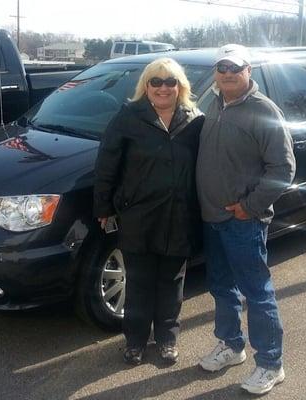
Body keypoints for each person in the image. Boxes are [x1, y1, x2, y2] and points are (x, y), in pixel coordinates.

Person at [196, 44, 296, 394]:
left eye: (234, 68)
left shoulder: (263, 111)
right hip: (211, 218)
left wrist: (249, 206)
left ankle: (271, 363)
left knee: (256, 292)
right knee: (222, 287)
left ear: (248, 70)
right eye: (221, 67)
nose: (227, 73)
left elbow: (283, 168)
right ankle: (231, 345)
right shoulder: (213, 103)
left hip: (244, 221)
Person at [93, 58, 204, 366]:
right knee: (139, 283)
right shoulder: (128, 117)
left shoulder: (195, 120)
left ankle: (167, 339)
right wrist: (103, 206)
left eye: (170, 81)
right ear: (146, 86)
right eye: (156, 82)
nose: (163, 87)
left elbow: (207, 166)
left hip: (179, 217)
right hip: (138, 217)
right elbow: (106, 165)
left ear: (180, 86)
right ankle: (136, 341)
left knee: (171, 283)